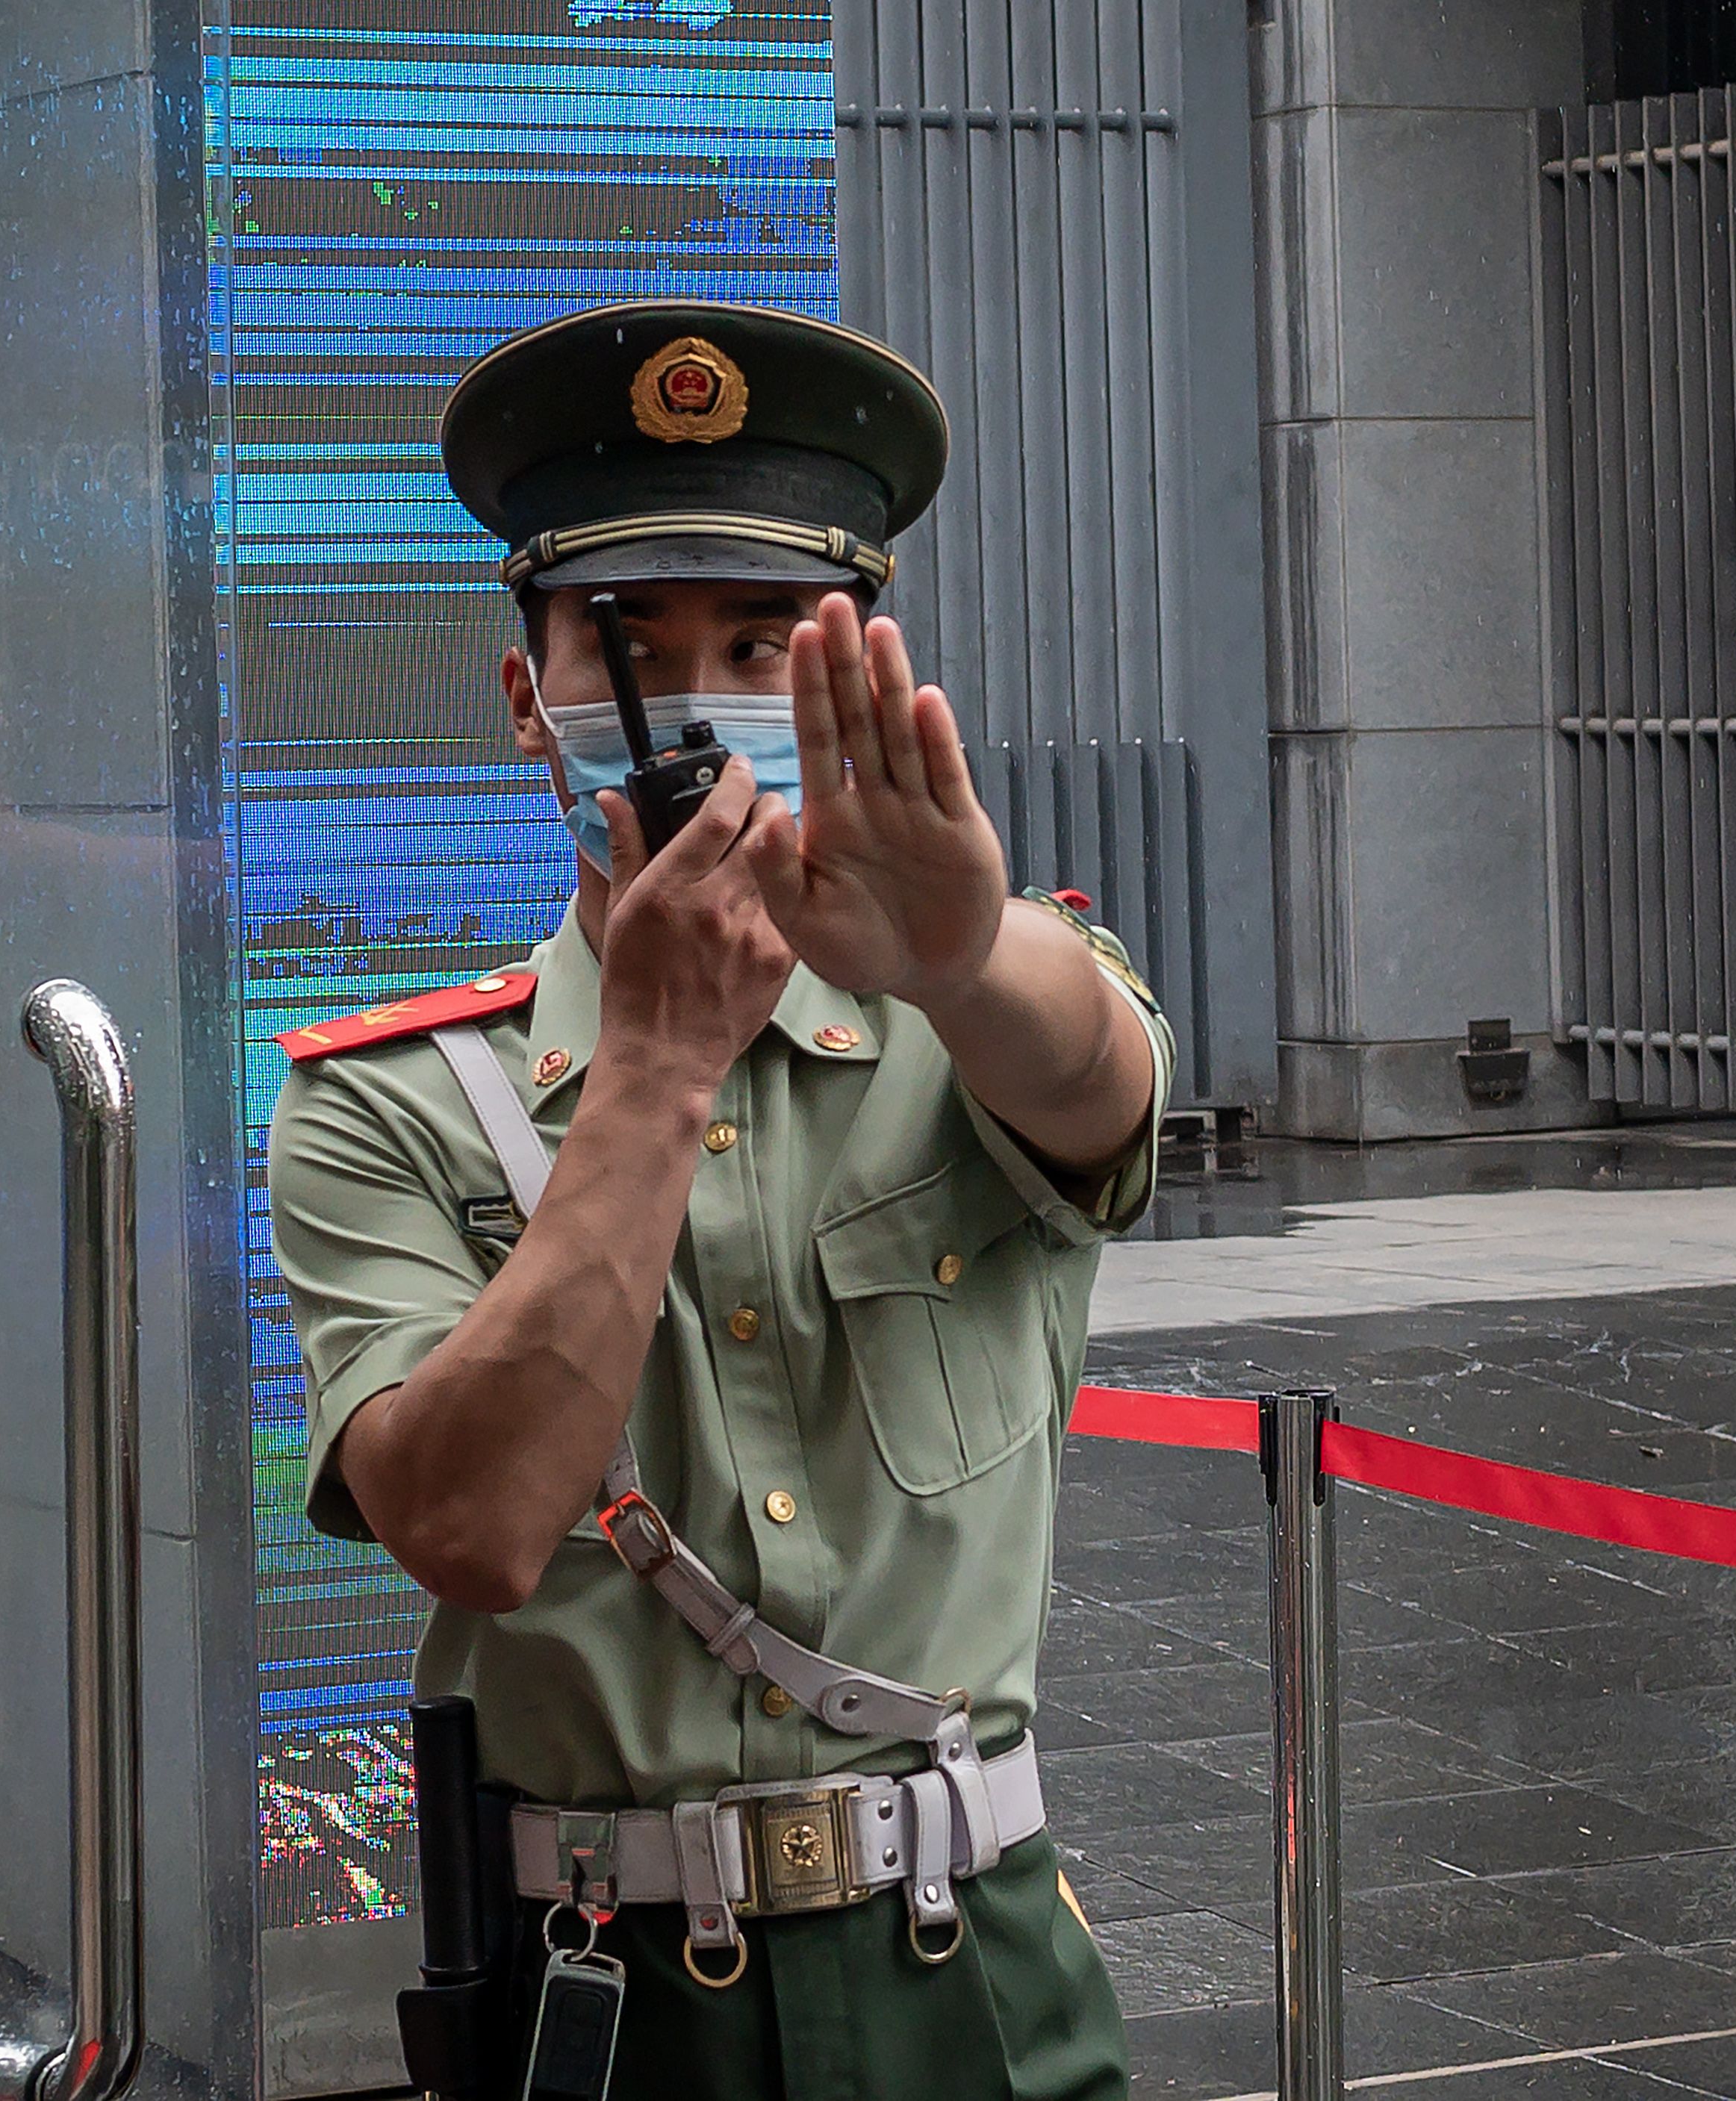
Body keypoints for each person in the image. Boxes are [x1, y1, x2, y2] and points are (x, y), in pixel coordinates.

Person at [267, 301, 1170, 2100]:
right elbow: (467, 1526)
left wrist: (957, 952)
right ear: (527, 693)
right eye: (628, 643)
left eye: (759, 640)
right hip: (605, 2001)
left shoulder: (966, 1011)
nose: (693, 700)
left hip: (967, 1966)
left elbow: (1097, 1084)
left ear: (844, 669)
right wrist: (656, 1070)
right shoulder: (384, 1104)